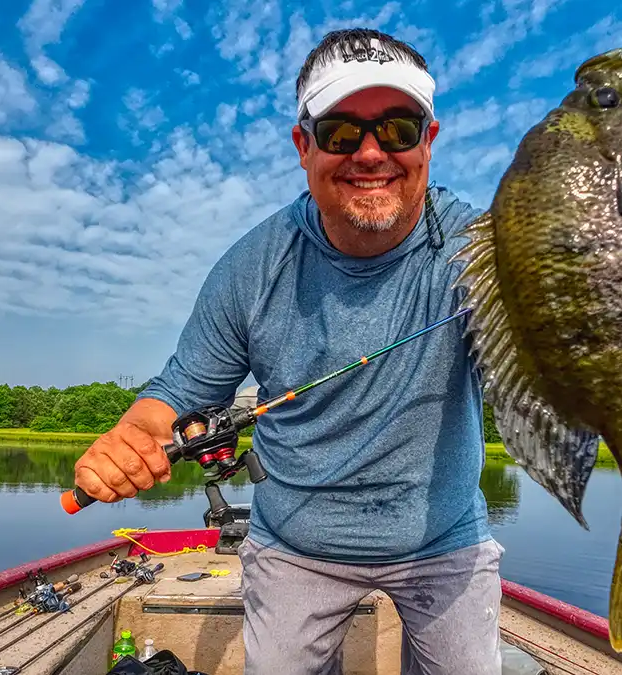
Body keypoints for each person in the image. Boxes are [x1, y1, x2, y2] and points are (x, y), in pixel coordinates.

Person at [72, 27, 503, 674]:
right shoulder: (253, 266)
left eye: (397, 128)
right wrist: (127, 438)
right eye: (339, 132)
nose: (369, 152)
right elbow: (175, 399)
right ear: (304, 146)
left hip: (444, 542)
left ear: (429, 141)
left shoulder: (484, 250)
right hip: (295, 548)